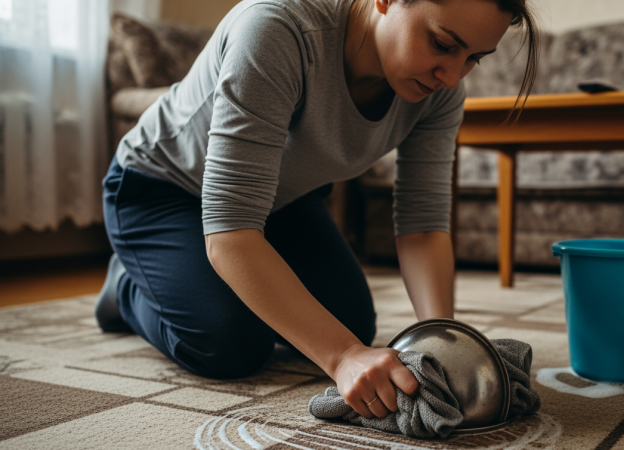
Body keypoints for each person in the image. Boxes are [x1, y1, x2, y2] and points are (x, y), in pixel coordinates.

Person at [96, 0, 538, 420]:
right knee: (230, 344)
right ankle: (127, 287)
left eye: (474, 58)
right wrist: (343, 358)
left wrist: (443, 340)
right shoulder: (276, 30)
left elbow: (423, 226)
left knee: (352, 323)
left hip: (280, 199)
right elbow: (231, 230)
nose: (451, 75)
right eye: (443, 44)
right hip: (160, 189)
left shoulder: (440, 93)